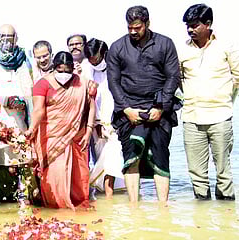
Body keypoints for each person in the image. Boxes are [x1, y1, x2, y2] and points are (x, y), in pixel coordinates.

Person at [107, 5, 181, 204]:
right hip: (129, 110)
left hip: (159, 109)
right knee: (132, 157)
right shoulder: (117, 47)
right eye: (130, 27)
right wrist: (127, 109)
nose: (133, 31)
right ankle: (134, 207)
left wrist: (161, 107)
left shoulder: (165, 44)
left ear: (147, 23)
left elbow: (173, 76)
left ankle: (164, 207)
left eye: (137, 27)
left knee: (160, 157)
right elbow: (113, 82)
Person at [180, 4, 239, 200]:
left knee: (223, 172)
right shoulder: (182, 50)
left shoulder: (226, 46)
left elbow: (238, 77)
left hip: (221, 117)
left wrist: (224, 99)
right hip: (192, 117)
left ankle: (227, 217)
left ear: (208, 24)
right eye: (188, 26)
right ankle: (202, 216)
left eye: (195, 25)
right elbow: (178, 79)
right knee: (197, 175)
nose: (190, 29)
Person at [25, 51, 96, 210]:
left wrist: (89, 130)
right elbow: (38, 111)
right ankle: (56, 212)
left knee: (78, 182)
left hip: (77, 138)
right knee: (54, 180)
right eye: (60, 70)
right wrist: (31, 129)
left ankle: (77, 215)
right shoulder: (42, 84)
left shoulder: (84, 83)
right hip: (51, 138)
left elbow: (91, 107)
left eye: (67, 71)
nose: (64, 74)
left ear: (73, 68)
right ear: (54, 68)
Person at [0, 24, 36, 204]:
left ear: (16, 39)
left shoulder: (25, 60)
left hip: (22, 121)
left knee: (26, 164)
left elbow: (33, 89)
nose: (6, 41)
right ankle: (7, 207)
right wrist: (6, 100)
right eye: (2, 37)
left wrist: (23, 102)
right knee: (4, 165)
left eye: (10, 37)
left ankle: (30, 205)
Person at [84, 38, 125, 198]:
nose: (95, 63)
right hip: (97, 125)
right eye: (91, 60)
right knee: (100, 161)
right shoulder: (87, 69)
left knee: (113, 161)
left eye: (97, 59)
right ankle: (104, 198)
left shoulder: (117, 67)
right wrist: (95, 124)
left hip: (117, 123)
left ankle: (111, 196)